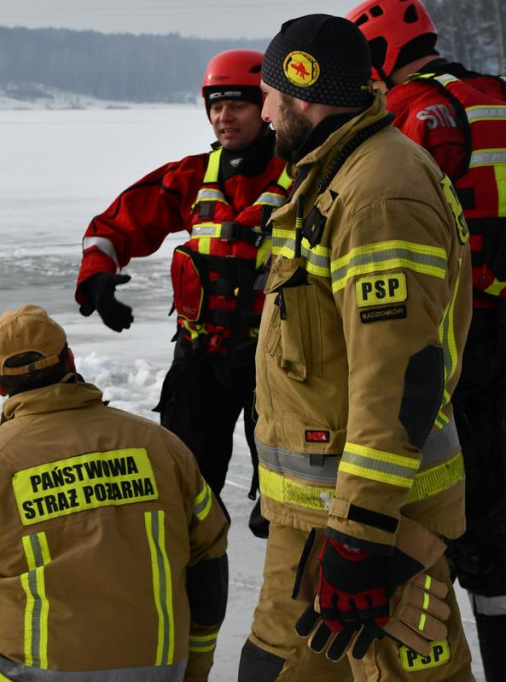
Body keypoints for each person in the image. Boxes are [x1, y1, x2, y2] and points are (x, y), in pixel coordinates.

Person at [235, 14, 474, 681]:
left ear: (302, 92)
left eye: (269, 96)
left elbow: (394, 381)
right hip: (317, 516)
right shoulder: (336, 172)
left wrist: (361, 538)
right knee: (273, 669)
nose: (265, 114)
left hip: (380, 523)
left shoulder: (379, 196)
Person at [0, 304, 230, 681]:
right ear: (70, 360)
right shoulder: (163, 447)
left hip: (32, 674)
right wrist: (193, 672)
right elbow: (210, 569)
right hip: (160, 671)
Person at [347, 1, 506, 677]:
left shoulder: (417, 109)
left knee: (468, 500)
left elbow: (408, 208)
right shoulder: (492, 91)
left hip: (467, 327)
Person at [75, 49, 291, 513]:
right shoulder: (192, 177)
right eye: (215, 106)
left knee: (288, 503)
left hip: (279, 362)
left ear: (265, 108)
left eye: (237, 105)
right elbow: (113, 226)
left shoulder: (300, 175)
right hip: (201, 359)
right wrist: (97, 278)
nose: (223, 117)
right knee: (185, 496)